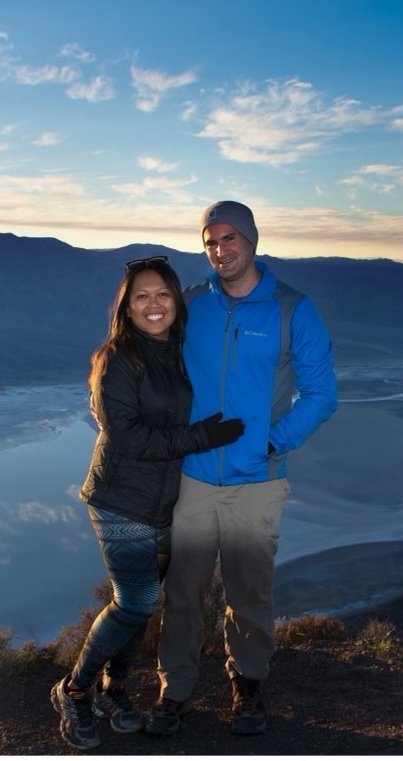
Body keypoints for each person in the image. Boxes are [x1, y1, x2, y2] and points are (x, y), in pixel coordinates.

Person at [148, 201, 338, 737]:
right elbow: (153, 363)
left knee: (249, 591)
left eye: (229, 238)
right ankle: (175, 691)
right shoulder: (192, 305)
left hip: (257, 481)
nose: (219, 249)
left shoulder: (290, 309)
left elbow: (322, 395)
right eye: (210, 241)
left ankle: (248, 686)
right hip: (193, 479)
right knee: (182, 591)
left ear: (251, 241)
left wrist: (272, 444)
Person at [51, 255, 246, 750]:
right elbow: (130, 438)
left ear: (176, 302)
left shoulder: (178, 351)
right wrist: (203, 437)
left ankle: (114, 689)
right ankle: (74, 690)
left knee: (142, 604)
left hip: (165, 501)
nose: (153, 304)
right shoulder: (118, 359)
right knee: (134, 601)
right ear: (127, 306)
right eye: (142, 296)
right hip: (120, 499)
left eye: (162, 294)